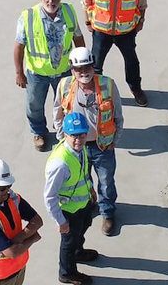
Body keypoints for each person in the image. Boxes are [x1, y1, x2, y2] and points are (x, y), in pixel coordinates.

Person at [54, 47, 123, 236]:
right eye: (79, 69)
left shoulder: (108, 85)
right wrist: (63, 139)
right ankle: (91, 204)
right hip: (77, 147)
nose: (84, 72)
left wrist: (114, 141)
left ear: (93, 66)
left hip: (102, 146)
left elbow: (118, 116)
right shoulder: (64, 86)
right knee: (83, 179)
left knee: (106, 182)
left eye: (87, 67)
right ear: (72, 69)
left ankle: (107, 213)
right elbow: (58, 113)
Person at [16, 0, 87, 151]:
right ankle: (39, 132)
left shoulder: (69, 12)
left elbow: (78, 39)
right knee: (34, 105)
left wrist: (82, 66)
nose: (51, 0)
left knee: (66, 103)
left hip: (64, 72)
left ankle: (65, 132)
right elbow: (19, 46)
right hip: (37, 73)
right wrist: (19, 72)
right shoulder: (28, 16)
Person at [82, 0, 149, 106]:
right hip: (101, 31)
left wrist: (141, 21)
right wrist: (88, 22)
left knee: (132, 62)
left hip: (126, 31)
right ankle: (94, 92)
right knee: (95, 64)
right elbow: (87, 0)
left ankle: (136, 88)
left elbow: (142, 3)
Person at [0, 158, 45, 285]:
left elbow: (37, 221)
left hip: (19, 268)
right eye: (1, 188)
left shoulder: (13, 198)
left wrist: (16, 240)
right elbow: (12, 252)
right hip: (0, 278)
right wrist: (31, 238)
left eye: (8, 186)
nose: (6, 191)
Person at [44, 112, 99, 285]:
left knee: (84, 226)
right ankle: (67, 272)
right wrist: (61, 221)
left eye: (82, 134)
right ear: (65, 134)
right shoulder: (60, 164)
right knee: (68, 242)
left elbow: (83, 172)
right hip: (69, 211)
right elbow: (49, 197)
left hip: (82, 204)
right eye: (74, 135)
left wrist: (90, 188)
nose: (79, 139)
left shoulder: (80, 148)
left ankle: (78, 251)